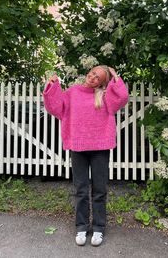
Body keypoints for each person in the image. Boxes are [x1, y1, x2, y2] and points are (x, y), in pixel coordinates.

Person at [43, 65, 129, 246]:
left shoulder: (106, 96)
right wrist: (52, 86)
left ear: (102, 83)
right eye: (92, 73)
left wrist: (115, 78)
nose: (92, 77)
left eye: (98, 77)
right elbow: (55, 107)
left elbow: (121, 98)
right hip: (78, 147)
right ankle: (81, 226)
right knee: (80, 190)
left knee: (100, 190)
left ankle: (98, 228)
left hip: (100, 148)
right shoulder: (73, 92)